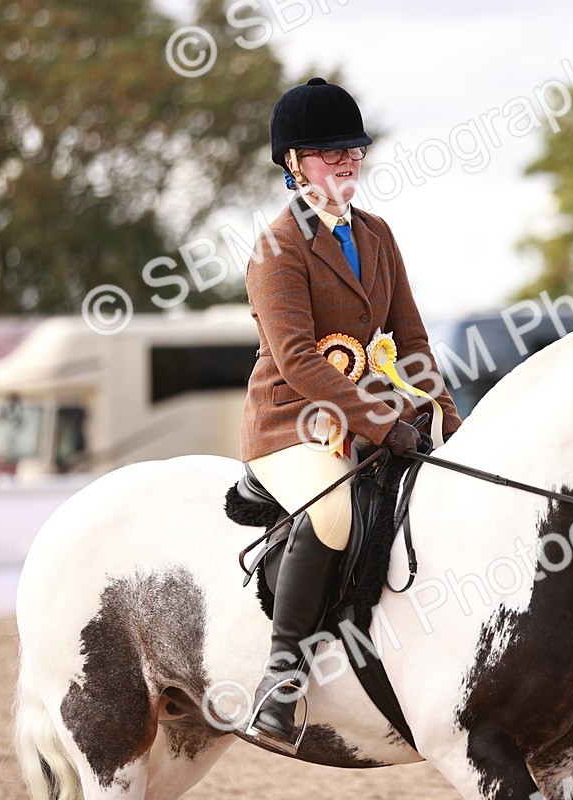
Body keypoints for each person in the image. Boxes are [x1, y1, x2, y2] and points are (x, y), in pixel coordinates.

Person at [240, 77, 463, 752]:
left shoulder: (376, 234)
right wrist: (381, 423)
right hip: (291, 423)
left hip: (368, 412)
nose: (347, 161)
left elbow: (412, 341)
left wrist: (443, 413)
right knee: (333, 512)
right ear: (293, 162)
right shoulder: (276, 249)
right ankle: (280, 683)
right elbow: (301, 360)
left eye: (353, 149)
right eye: (329, 152)